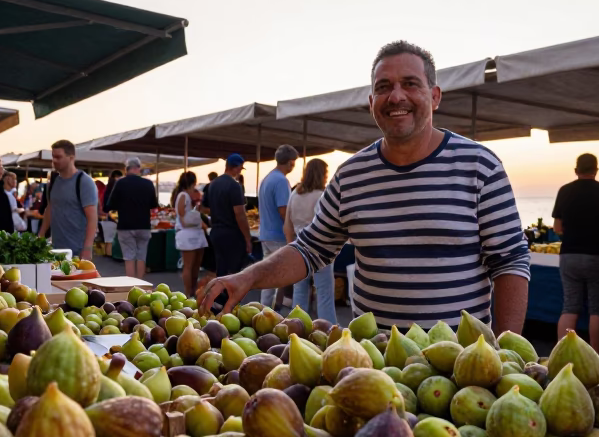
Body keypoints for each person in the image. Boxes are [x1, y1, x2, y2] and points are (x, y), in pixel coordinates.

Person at [202, 41, 530, 330]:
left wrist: (502, 352)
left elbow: (510, 261)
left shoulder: (480, 166)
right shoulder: (351, 176)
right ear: (372, 101)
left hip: (461, 368)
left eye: (410, 84)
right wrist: (247, 277)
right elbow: (310, 249)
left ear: (435, 96)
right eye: (384, 86)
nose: (396, 96)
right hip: (374, 363)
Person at [551, 153, 599, 361]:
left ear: (576, 170)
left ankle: (561, 357)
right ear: (596, 170)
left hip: (570, 256)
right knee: (598, 309)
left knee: (569, 307)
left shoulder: (565, 191)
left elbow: (557, 227)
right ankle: (596, 360)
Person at [284, 158, 336, 323]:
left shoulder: (295, 194)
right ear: (321, 174)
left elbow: (287, 225)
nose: (327, 177)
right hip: (320, 249)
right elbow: (324, 225)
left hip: (298, 246)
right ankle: (328, 330)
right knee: (324, 292)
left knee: (299, 291)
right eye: (326, 173)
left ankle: (297, 328)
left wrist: (290, 246)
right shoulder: (321, 196)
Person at [39, 140, 99, 261]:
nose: (54, 161)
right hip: (55, 249)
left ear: (71, 157)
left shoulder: (84, 182)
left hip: (77, 250)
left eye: (58, 157)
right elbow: (50, 208)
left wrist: (87, 249)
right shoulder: (53, 181)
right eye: (53, 157)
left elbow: (92, 217)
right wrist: (40, 235)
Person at [257, 144, 299, 309]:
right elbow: (284, 211)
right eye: (293, 163)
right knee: (281, 276)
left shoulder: (267, 178)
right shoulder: (281, 181)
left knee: (267, 276)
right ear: (289, 162)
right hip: (279, 236)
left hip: (266, 234)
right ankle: (274, 312)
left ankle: (262, 310)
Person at [202, 154, 255, 284]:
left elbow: (204, 208)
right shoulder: (234, 186)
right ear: (236, 168)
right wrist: (248, 238)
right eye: (241, 169)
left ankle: (219, 300)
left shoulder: (212, 185)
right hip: (232, 234)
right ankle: (230, 301)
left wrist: (219, 211)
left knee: (221, 269)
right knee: (234, 272)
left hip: (216, 232)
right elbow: (240, 214)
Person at [105, 156, 158, 278]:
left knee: (129, 257)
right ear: (139, 169)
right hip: (144, 225)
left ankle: (131, 287)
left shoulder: (120, 183)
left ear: (126, 169)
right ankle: (140, 286)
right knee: (141, 257)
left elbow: (110, 205)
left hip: (125, 225)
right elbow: (153, 205)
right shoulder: (148, 184)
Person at [172, 171, 208, 296]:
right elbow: (182, 214)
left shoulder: (190, 195)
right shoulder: (183, 195)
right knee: (189, 266)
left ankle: (193, 290)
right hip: (188, 234)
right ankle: (188, 293)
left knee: (195, 266)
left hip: (196, 233)